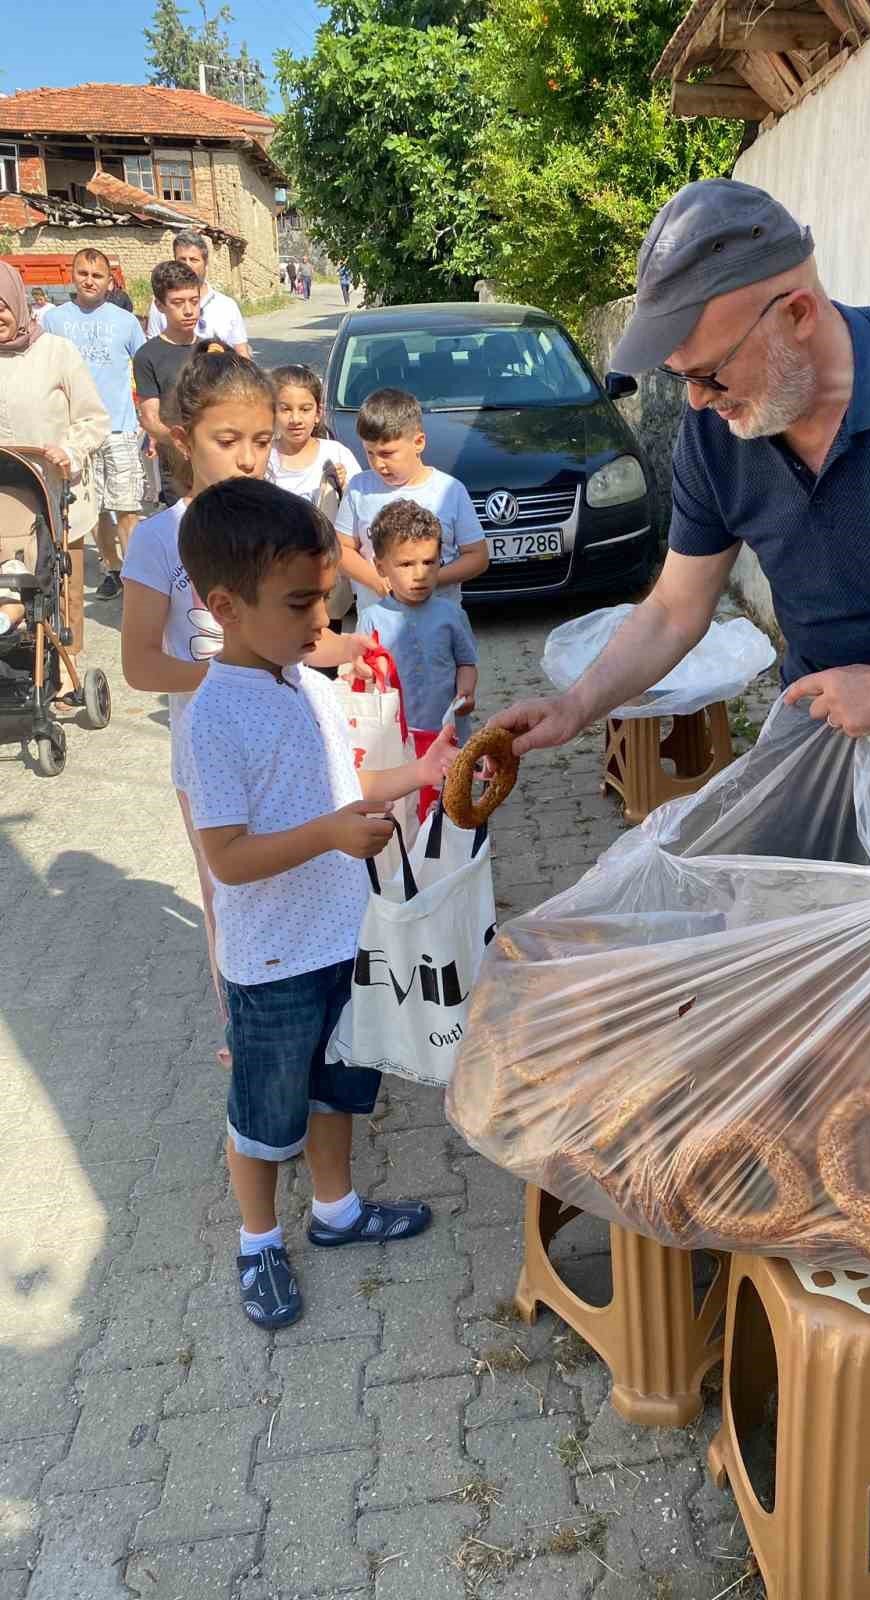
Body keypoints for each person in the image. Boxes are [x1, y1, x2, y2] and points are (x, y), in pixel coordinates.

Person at [494, 180, 870, 832]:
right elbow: (675, 609)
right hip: (819, 718)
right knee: (770, 907)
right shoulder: (714, 436)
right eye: (683, 379)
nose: (699, 401)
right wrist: (577, 705)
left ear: (798, 314)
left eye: (711, 373)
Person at [175, 476, 457, 1327]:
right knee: (265, 1113)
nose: (319, 624)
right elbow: (226, 860)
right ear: (224, 604)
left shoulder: (311, 685)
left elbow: (347, 786)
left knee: (339, 1088)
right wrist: (332, 835)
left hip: (343, 938)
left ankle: (335, 1211)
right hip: (271, 964)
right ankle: (258, 1239)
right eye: (300, 605)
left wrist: (419, 771)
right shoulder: (211, 720)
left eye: (324, 601)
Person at [121, 342, 375, 1054]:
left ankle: (327, 1020)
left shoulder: (278, 522)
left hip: (293, 741)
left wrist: (349, 650)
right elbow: (141, 663)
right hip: (215, 750)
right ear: (182, 437)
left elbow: (304, 636)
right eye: (226, 440)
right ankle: (247, 1026)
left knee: (314, 867)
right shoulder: (158, 539)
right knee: (223, 891)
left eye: (261, 440)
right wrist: (234, 675)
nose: (247, 457)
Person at [0, 260, 110, 659]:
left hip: (55, 490)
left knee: (65, 584)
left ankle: (64, 668)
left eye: (2, 305)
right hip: (3, 504)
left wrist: (70, 448)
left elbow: (94, 418)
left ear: (18, 301)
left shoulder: (57, 352)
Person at [43, 248, 146, 600]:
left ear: (109, 280)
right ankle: (112, 569)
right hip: (76, 434)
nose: (89, 280)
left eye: (97, 275)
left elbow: (143, 367)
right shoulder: (54, 321)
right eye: (83, 273)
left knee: (127, 506)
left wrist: (146, 421)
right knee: (95, 509)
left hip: (118, 428)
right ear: (72, 276)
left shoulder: (125, 322)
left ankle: (137, 575)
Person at [334, 388, 489, 615]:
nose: (378, 464)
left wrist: (429, 579)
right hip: (379, 625)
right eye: (370, 453)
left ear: (418, 442)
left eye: (387, 453)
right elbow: (340, 549)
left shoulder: (450, 491)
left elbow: (478, 556)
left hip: (439, 622)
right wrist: (377, 581)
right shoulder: (359, 489)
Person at [358, 498, 479, 757]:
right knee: (407, 797)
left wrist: (466, 692)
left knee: (452, 796)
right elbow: (362, 672)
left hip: (448, 735)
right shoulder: (371, 619)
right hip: (396, 739)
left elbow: (466, 662)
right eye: (406, 564)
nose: (420, 574)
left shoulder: (451, 615)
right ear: (381, 567)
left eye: (428, 562)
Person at [133, 261, 202, 507]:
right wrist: (182, 444)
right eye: (177, 303)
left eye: (194, 301)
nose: (188, 310)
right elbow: (150, 419)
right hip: (178, 469)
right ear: (160, 305)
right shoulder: (148, 356)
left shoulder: (212, 349)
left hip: (216, 460)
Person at [145, 230, 250, 356]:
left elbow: (242, 353)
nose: (187, 265)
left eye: (194, 260)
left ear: (205, 263)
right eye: (182, 259)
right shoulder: (162, 305)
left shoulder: (227, 306)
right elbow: (154, 350)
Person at [266, 365, 359, 504]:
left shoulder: (337, 454)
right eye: (285, 409)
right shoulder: (264, 457)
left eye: (305, 409)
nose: (295, 419)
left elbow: (360, 507)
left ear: (317, 413)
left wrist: (344, 487)